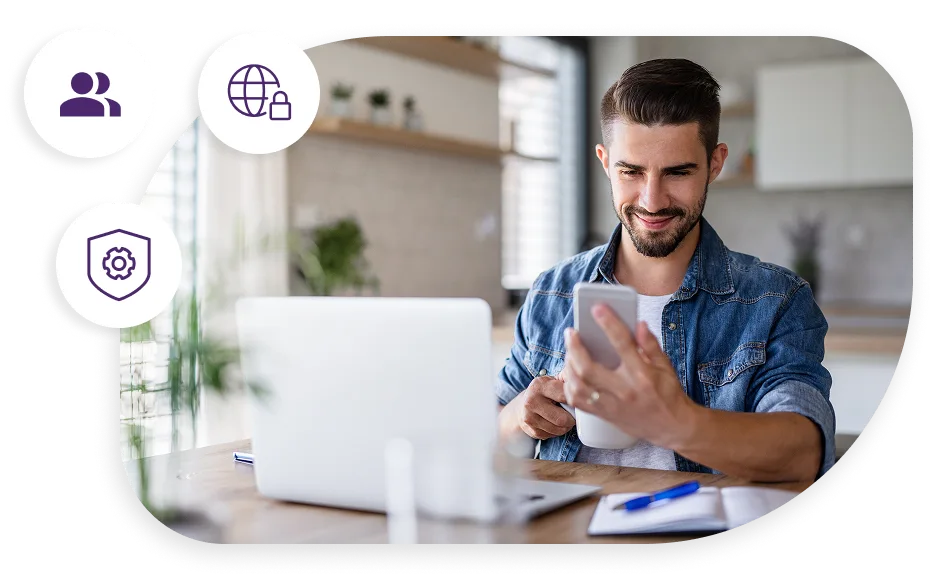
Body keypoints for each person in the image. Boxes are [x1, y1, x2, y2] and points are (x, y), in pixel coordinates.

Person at [495, 58, 835, 483]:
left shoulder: (775, 300)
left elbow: (803, 452)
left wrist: (675, 422)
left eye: (677, 172)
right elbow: (488, 430)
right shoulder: (552, 291)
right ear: (605, 162)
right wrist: (516, 416)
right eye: (631, 172)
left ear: (714, 163)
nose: (652, 201)